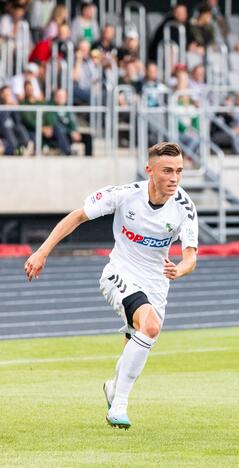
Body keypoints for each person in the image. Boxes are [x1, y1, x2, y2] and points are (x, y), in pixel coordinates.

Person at [24, 142, 199, 429]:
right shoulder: (126, 195)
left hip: (156, 283)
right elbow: (77, 216)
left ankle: (113, 387)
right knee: (150, 326)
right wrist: (42, 252)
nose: (174, 178)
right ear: (150, 171)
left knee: (139, 338)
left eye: (179, 171)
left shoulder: (184, 207)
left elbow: (190, 258)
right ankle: (119, 405)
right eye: (167, 171)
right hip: (119, 272)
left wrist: (178, 270)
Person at [46, 88, 93, 156]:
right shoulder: (50, 107)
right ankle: (68, 152)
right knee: (59, 130)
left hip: (68, 133)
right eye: (59, 96)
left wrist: (74, 130)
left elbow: (72, 122)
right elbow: (54, 122)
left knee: (88, 137)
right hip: (57, 134)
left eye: (62, 96)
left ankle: (89, 157)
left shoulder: (67, 109)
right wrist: (70, 131)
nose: (61, 98)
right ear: (55, 97)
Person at [0, 85, 32, 156]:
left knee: (20, 127)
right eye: (7, 94)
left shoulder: (13, 105)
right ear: (2, 95)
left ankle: (27, 144)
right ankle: (15, 149)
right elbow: (2, 121)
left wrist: (15, 109)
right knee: (7, 128)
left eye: (9, 94)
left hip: (13, 128)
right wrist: (7, 107)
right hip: (3, 129)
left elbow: (18, 121)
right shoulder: (1, 106)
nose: (9, 96)